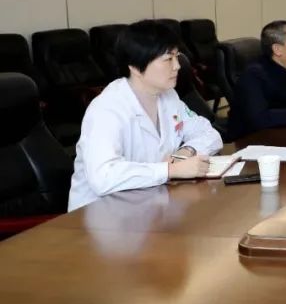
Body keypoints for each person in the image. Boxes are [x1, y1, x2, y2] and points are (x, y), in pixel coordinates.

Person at [68, 20, 223, 211]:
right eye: (168, 59)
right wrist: (170, 170)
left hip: (147, 203)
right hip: (98, 213)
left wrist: (186, 152)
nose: (177, 66)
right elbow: (103, 176)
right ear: (134, 66)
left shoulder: (168, 96)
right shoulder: (107, 109)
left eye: (177, 56)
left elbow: (209, 134)